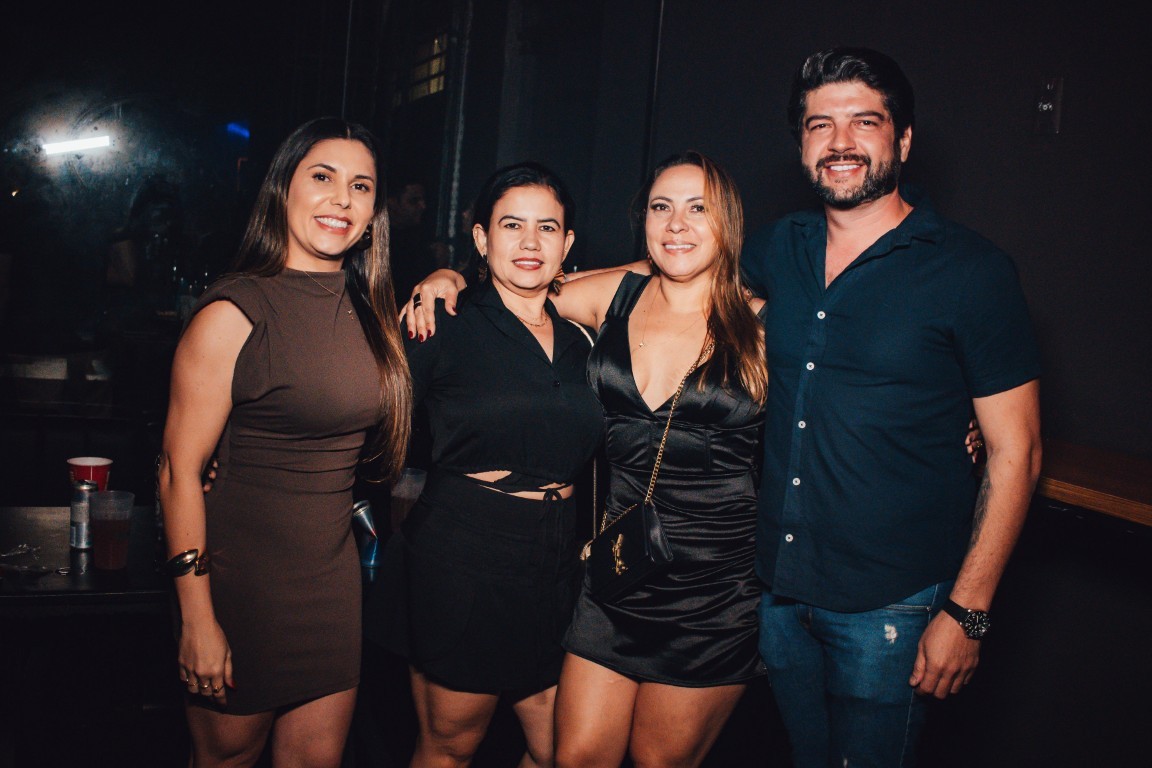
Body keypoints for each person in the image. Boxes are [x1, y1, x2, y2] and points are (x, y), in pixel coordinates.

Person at [403, 150, 770, 768]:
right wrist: (450, 277)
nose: (677, 223)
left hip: (712, 589)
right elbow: (525, 277)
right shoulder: (612, 299)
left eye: (698, 208)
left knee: (652, 759)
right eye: (661, 207)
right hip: (612, 576)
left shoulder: (762, 326)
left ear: (728, 221)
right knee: (572, 755)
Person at [741, 47, 1043, 767]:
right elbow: (672, 276)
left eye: (864, 122)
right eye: (820, 125)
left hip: (894, 607)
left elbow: (1019, 453)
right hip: (778, 594)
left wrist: (968, 614)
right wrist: (525, 284)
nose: (840, 142)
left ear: (902, 141)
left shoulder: (971, 271)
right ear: (801, 145)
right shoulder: (778, 248)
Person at [156, 116, 411, 768]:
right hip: (241, 587)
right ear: (283, 189)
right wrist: (197, 619)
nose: (341, 199)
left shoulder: (374, 314)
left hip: (332, 585)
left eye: (360, 186)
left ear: (373, 215)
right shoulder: (234, 312)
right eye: (322, 177)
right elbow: (178, 472)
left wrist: (451, 279)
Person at [370, 161, 603, 767]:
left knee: (564, 752)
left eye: (547, 228)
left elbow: (668, 269)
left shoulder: (582, 339)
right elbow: (366, 420)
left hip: (556, 561)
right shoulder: (441, 322)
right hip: (465, 555)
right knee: (452, 745)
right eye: (511, 225)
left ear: (567, 244)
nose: (530, 242)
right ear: (481, 238)